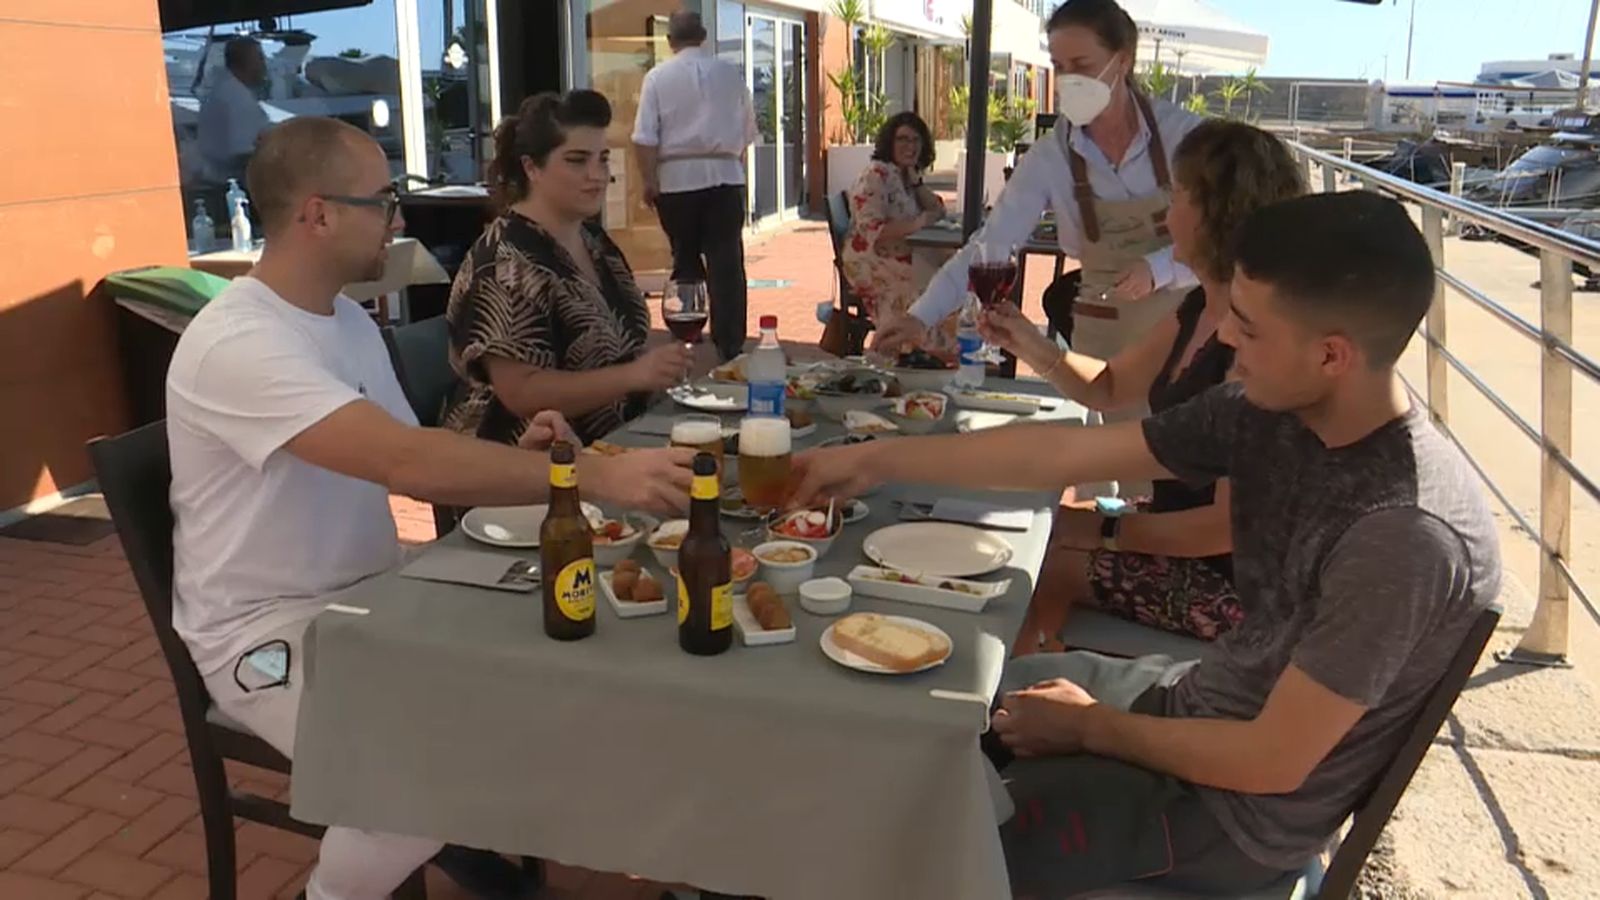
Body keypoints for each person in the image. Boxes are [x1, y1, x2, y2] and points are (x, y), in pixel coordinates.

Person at [789, 191, 1501, 896]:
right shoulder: (1272, 412)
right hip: (1195, 705)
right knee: (926, 716)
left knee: (905, 838)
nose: (1224, 340)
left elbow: (1271, 763)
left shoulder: (1402, 536)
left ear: (1332, 355)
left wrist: (1093, 729)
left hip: (1229, 820)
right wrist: (873, 462)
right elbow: (1057, 458)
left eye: (1248, 329)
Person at [166, 116, 693, 900]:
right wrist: (594, 478)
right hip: (260, 632)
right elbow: (406, 461)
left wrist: (530, 463)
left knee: (573, 645)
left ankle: (482, 833)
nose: (399, 217)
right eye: (382, 200)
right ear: (317, 213)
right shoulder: (240, 344)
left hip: (373, 594)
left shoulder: (342, 318)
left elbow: (412, 464)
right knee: (411, 777)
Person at [981, 120, 1303, 651]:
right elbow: (1109, 387)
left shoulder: (1256, 345)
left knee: (1042, 558)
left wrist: (1102, 533)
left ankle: (1023, 699)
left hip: (1237, 591)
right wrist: (1029, 343)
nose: (1163, 213)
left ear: (1215, 214)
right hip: (1175, 538)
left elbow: (1224, 528)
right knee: (1037, 538)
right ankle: (1040, 672)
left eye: (1175, 196)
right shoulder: (1200, 305)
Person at [875, 0, 1202, 424]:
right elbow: (989, 247)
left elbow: (1228, 239)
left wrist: (1159, 268)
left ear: (1122, 60)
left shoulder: (1186, 137)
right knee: (1112, 465)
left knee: (1182, 464)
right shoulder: (1053, 157)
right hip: (1103, 337)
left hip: (1186, 330)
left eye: (1082, 64)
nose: (1068, 79)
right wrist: (920, 317)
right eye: (1059, 66)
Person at [443, 90, 693, 446]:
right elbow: (522, 394)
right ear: (532, 168)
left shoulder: (592, 240)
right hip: (522, 461)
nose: (597, 175)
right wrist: (635, 376)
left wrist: (660, 367)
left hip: (614, 440)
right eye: (577, 160)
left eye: (603, 160)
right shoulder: (507, 263)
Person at [631, 10, 758, 362]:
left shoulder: (657, 77)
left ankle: (686, 335)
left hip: (677, 179)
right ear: (702, 36)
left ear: (670, 40)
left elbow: (644, 137)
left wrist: (649, 180)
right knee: (727, 262)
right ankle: (730, 344)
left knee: (685, 257)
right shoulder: (731, 74)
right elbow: (748, 133)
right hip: (725, 176)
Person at [840, 112, 955, 357]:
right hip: (871, 259)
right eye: (903, 139)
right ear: (889, 143)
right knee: (932, 290)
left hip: (901, 253)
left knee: (952, 278)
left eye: (916, 140)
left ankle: (934, 353)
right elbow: (871, 230)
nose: (910, 146)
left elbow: (938, 210)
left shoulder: (904, 175)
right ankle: (905, 353)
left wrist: (916, 183)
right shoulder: (876, 175)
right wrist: (916, 224)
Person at [197, 37, 271, 184]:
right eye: (260, 58)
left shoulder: (224, 91)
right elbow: (242, 154)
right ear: (244, 63)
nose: (265, 65)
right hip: (234, 185)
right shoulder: (235, 99)